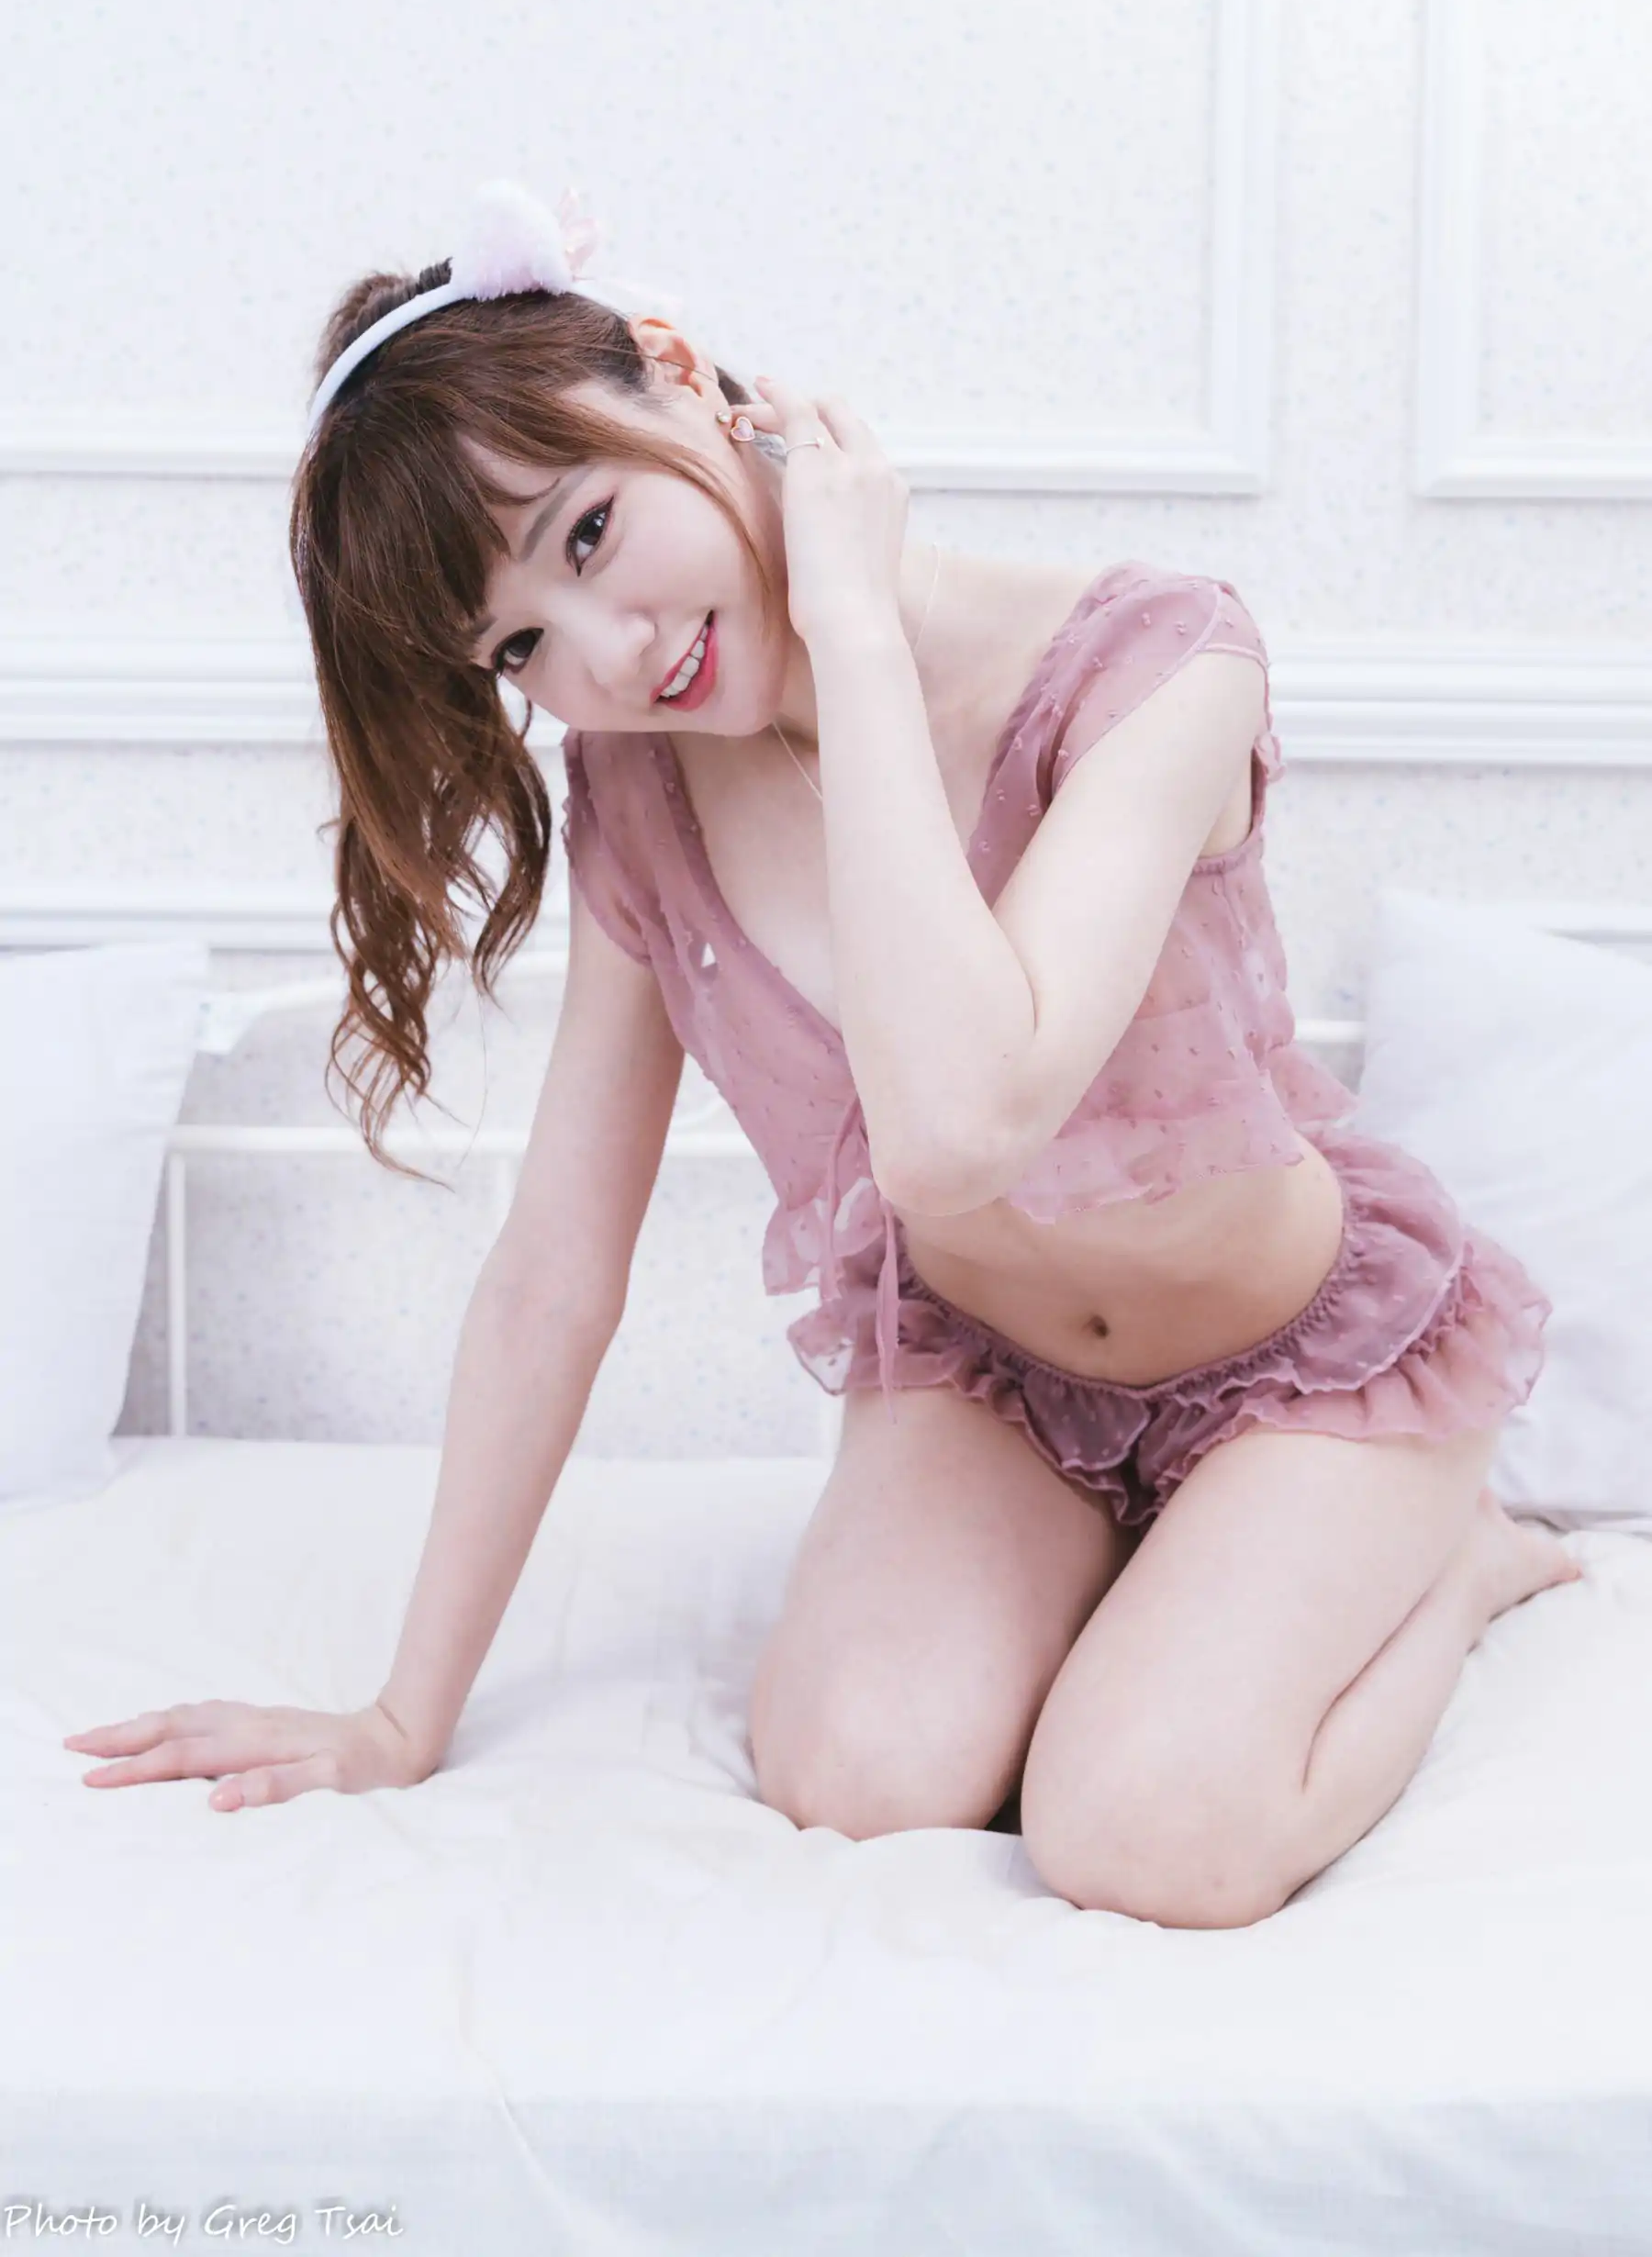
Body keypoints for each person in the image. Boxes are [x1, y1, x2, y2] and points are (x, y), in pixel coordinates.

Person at [64, 184, 1579, 1927]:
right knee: (853, 1773)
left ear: (675, 368)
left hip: (1297, 1360)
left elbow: (960, 1129)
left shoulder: (1157, 667)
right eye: (521, 648)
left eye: (588, 534)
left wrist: (856, 630)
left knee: (1144, 1838)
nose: (610, 657)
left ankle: (1455, 1568)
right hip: (1001, 1382)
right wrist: (403, 1717)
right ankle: (1133, 1576)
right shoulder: (640, 795)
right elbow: (555, 1264)